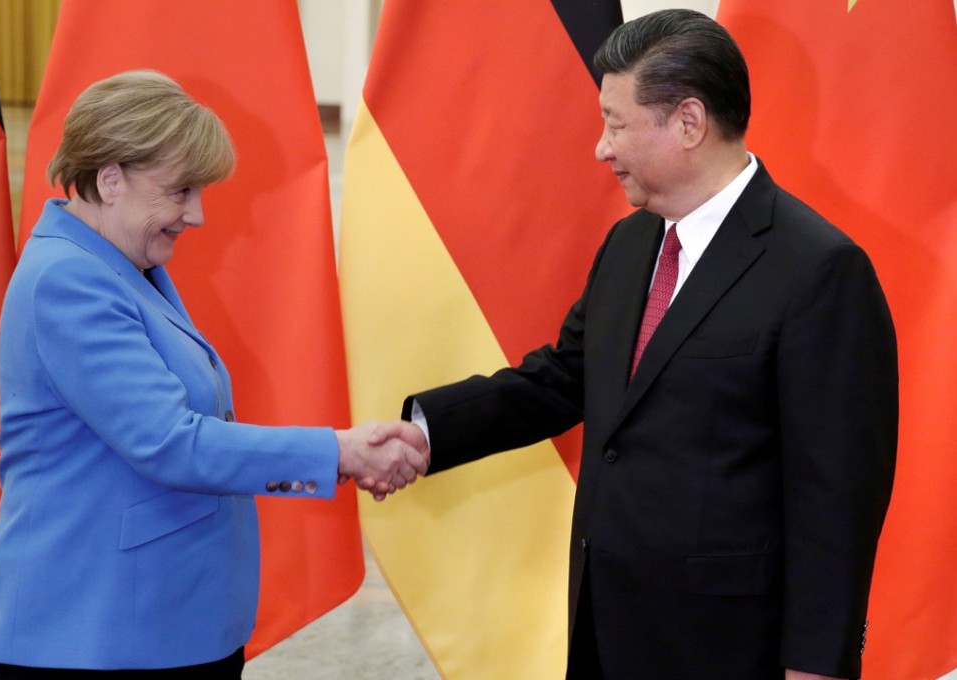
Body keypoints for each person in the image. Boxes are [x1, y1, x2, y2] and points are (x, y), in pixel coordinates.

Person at [372, 9, 898, 680]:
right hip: (605, 624)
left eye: (616, 124)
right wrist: (425, 434)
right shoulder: (630, 242)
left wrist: (817, 665)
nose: (602, 148)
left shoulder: (819, 269)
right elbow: (565, 377)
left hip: (726, 647)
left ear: (688, 121)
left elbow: (838, 497)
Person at [0, 70, 426, 678]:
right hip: (94, 631)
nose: (197, 215)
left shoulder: (117, 265)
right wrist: (338, 452)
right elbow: (170, 441)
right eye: (180, 191)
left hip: (158, 618)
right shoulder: (69, 280)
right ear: (110, 179)